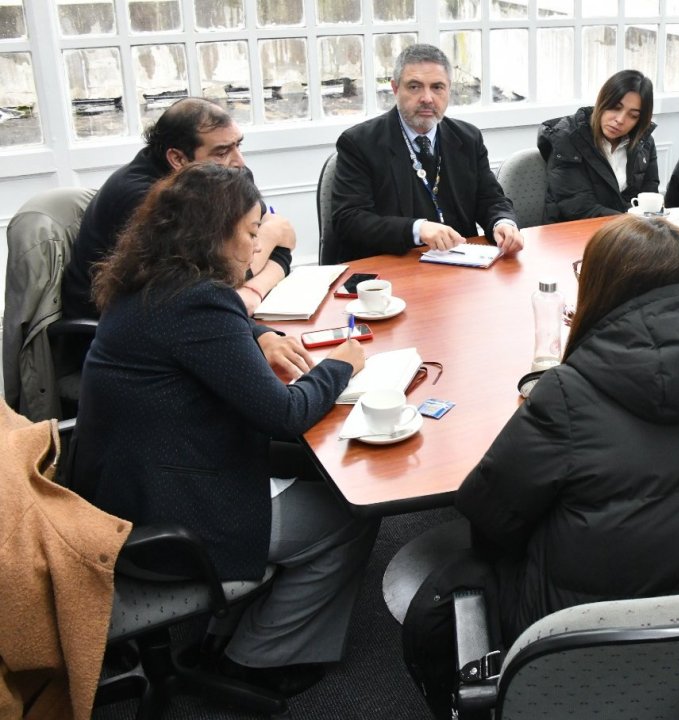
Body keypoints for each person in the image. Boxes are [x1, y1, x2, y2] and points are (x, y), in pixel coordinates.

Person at [407, 215, 679, 716]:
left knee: (442, 593)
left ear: (601, 289)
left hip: (580, 642)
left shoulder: (566, 393)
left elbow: (489, 515)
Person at [71, 162, 378, 697]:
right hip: (167, 520)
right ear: (214, 233)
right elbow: (285, 414)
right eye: (252, 232)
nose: (257, 246)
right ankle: (256, 658)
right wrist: (341, 366)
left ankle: (227, 630)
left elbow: (214, 326)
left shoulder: (148, 281)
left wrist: (258, 335)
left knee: (309, 469)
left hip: (117, 493)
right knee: (349, 514)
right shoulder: (196, 302)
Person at [63, 97, 296, 321]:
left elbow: (283, 242)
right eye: (222, 152)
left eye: (238, 145)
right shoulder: (145, 200)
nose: (239, 162)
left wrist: (253, 291)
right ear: (178, 159)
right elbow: (213, 283)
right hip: (124, 331)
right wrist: (270, 236)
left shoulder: (227, 177)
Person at [331, 43, 524, 261]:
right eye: (414, 87)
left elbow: (491, 199)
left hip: (460, 264)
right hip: (393, 266)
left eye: (437, 87)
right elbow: (349, 220)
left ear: (449, 89)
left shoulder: (467, 138)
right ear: (395, 88)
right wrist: (417, 229)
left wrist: (502, 223)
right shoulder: (359, 143)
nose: (427, 98)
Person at [537, 69, 659, 222]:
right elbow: (578, 207)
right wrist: (631, 223)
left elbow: (649, 198)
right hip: (574, 230)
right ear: (602, 101)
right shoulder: (567, 137)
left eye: (633, 115)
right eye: (616, 107)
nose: (620, 120)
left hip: (626, 230)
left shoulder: (644, 143)